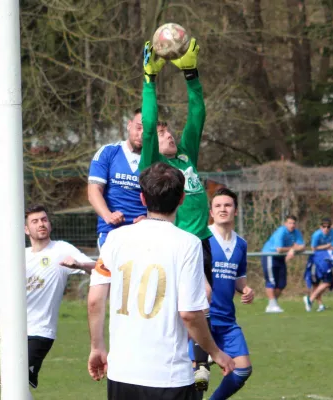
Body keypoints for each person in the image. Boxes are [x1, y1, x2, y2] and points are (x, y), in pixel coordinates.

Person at [87, 162, 235, 400]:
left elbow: (95, 300)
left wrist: (97, 347)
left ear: (143, 199)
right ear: (182, 200)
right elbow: (189, 313)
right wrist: (215, 353)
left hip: (122, 374)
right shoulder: (188, 244)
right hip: (169, 376)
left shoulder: (114, 239)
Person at [138, 39, 215, 389]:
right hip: (176, 245)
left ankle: (201, 364)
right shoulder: (155, 163)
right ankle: (177, 361)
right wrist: (149, 79)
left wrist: (190, 74)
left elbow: (197, 112)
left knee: (205, 303)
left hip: (203, 242)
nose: (167, 135)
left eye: (170, 132)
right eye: (163, 133)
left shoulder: (187, 158)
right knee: (184, 305)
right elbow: (150, 121)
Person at [0, 205, 96, 400]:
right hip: (9, 331)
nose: (41, 224)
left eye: (44, 220)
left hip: (40, 332)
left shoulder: (61, 249)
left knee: (14, 383)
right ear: (25, 229)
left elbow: (97, 267)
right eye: (35, 221)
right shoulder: (18, 256)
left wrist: (80, 264)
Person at [200, 187, 254, 400]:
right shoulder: (201, 239)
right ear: (211, 212)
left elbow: (238, 277)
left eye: (228, 205)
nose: (223, 209)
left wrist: (245, 289)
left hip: (227, 320)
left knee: (242, 369)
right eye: (218, 206)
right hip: (201, 319)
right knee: (195, 378)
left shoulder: (241, 244)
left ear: (236, 211)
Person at [88, 108, 147, 249]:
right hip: (111, 232)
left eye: (147, 131)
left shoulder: (155, 160)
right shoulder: (108, 152)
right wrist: (108, 215)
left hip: (143, 233)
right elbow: (93, 191)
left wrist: (149, 220)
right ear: (129, 125)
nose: (141, 134)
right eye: (138, 128)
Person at [260, 215, 305, 313]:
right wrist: (292, 248)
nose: (292, 225)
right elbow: (279, 249)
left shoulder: (296, 233)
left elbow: (302, 247)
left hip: (280, 258)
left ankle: (272, 305)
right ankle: (272, 305)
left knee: (282, 283)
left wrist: (294, 249)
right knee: (271, 281)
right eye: (290, 223)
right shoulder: (281, 232)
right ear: (285, 224)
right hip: (269, 255)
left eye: (293, 223)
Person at [303, 218, 333, 312]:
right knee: (316, 283)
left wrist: (324, 248)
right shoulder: (316, 235)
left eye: (328, 227)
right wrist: (326, 246)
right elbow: (313, 248)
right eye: (324, 226)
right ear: (320, 227)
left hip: (326, 261)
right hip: (316, 261)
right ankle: (319, 305)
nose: (326, 229)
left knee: (328, 282)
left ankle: (310, 300)